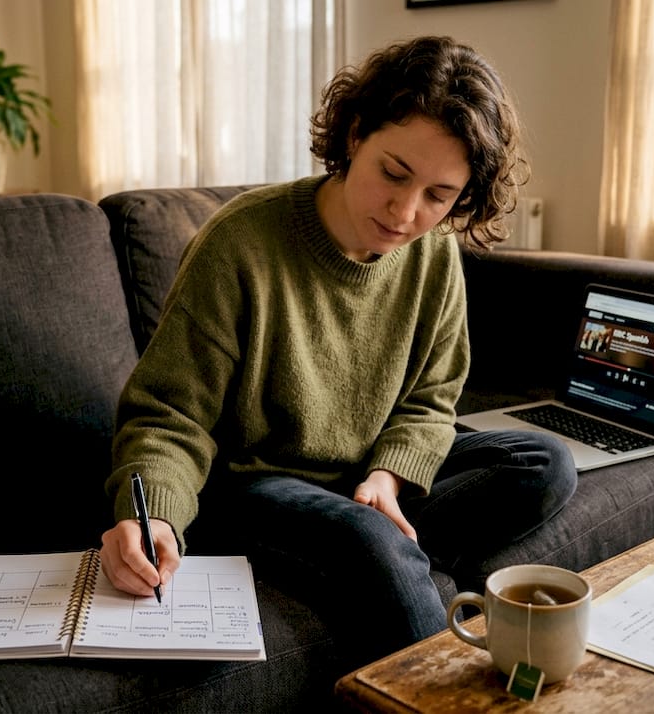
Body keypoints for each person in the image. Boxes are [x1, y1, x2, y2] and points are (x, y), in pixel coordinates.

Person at [100, 35, 577, 667]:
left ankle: (381, 561)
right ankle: (398, 607)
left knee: (545, 461)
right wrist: (156, 513)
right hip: (253, 481)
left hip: (362, 477)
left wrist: (390, 473)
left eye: (439, 196)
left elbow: (433, 398)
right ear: (354, 135)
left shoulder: (432, 254)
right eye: (394, 173)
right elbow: (169, 415)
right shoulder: (240, 243)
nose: (407, 213)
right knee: (366, 537)